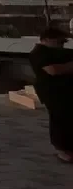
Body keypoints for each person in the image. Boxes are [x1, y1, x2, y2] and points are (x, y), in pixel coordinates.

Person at [29, 27, 73, 163]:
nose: (62, 45)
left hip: (66, 91)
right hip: (52, 92)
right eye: (59, 41)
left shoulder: (58, 53)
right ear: (47, 39)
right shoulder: (39, 53)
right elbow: (53, 70)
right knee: (59, 119)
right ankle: (62, 150)